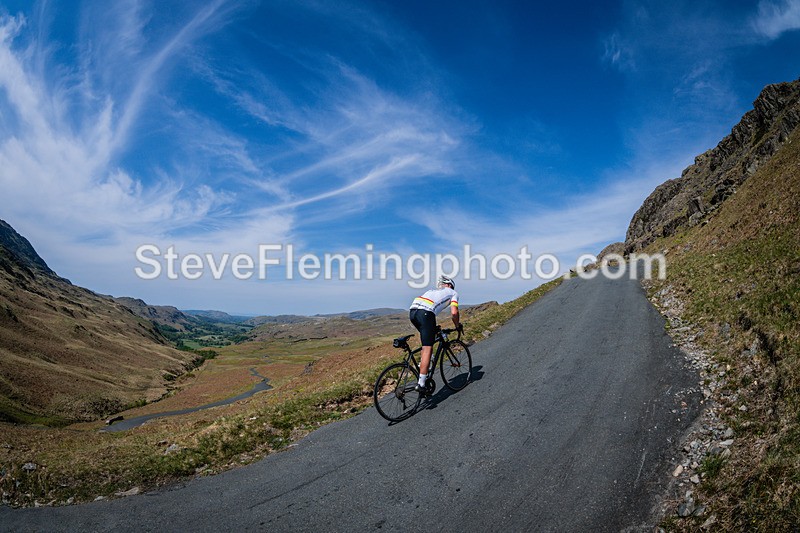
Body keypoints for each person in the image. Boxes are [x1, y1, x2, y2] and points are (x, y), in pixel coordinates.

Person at [409, 275, 461, 394]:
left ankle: (426, 365)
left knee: (426, 342)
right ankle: (421, 383)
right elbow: (454, 313)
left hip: (413, 311)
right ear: (450, 285)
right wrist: (457, 326)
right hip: (426, 313)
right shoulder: (453, 293)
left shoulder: (431, 291)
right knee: (428, 347)